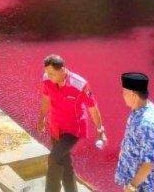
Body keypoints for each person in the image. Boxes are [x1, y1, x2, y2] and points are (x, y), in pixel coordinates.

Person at [37, 55, 106, 192]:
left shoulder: (79, 84)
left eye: (52, 73)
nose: (48, 76)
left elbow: (92, 108)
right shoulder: (46, 80)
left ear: (62, 70)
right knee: (64, 161)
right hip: (56, 127)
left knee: (54, 157)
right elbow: (46, 100)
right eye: (47, 72)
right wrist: (41, 118)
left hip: (73, 129)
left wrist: (100, 130)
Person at [115, 73, 154, 192]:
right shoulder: (139, 108)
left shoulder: (147, 124)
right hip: (131, 178)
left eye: (124, 92)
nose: (122, 96)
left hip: (143, 187)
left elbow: (149, 163)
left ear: (133, 95)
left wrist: (132, 186)